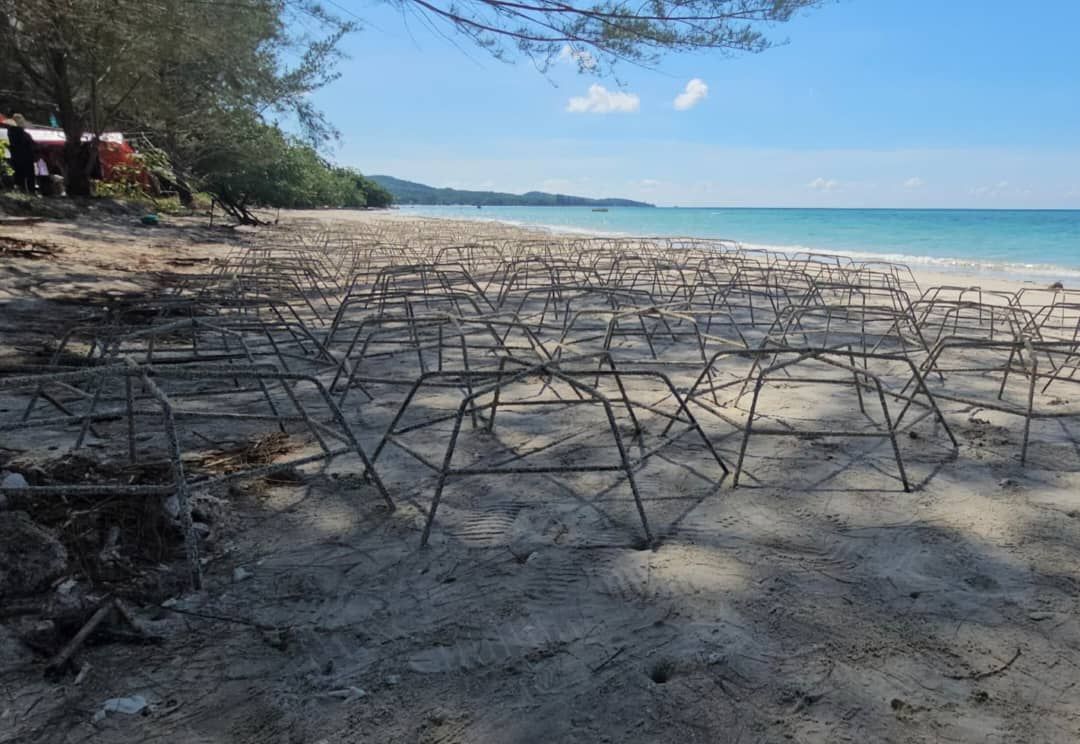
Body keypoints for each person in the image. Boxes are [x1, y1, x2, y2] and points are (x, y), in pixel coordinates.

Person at [5, 113, 37, 193]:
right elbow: (28, 144)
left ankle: (25, 191)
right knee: (26, 176)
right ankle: (28, 191)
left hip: (20, 157)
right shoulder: (17, 133)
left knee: (22, 176)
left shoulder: (13, 132)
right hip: (23, 157)